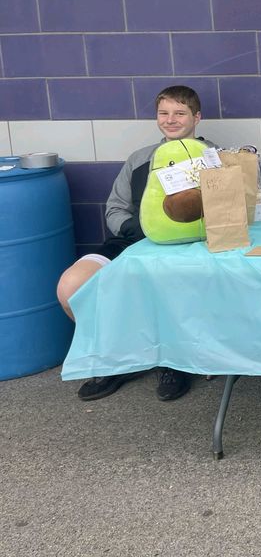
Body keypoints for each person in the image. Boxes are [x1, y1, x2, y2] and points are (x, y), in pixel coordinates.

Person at [55, 86, 208, 402]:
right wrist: (137, 231)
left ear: (197, 117)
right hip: (132, 242)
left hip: (192, 246)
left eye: (179, 113)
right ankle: (116, 358)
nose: (170, 120)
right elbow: (115, 208)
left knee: (168, 287)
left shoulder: (213, 157)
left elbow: (233, 207)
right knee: (71, 288)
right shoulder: (139, 160)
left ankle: (173, 362)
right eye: (163, 113)